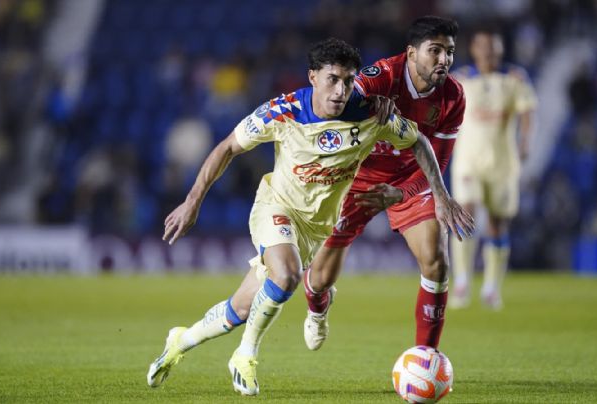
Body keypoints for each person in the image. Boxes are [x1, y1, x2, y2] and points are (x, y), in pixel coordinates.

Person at [146, 38, 474, 396]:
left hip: (316, 228)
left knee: (239, 308)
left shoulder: (371, 114)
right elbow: (227, 147)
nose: (341, 90)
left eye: (349, 81)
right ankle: (245, 355)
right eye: (332, 79)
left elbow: (420, 143)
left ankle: (181, 339)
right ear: (313, 77)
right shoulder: (283, 111)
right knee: (287, 277)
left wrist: (440, 196)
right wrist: (192, 202)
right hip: (277, 206)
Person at [302, 16, 467, 353]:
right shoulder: (384, 76)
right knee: (319, 280)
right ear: (410, 53)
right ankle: (318, 308)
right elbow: (342, 98)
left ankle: (426, 356)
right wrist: (364, 103)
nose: (443, 60)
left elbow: (438, 159)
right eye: (434, 51)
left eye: (449, 52)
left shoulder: (453, 95)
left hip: (409, 179)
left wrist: (406, 193)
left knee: (437, 261)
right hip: (357, 178)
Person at [449, 27, 537, 310]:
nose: (488, 51)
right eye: (483, 46)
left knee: (497, 224)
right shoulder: (461, 79)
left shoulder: (514, 79)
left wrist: (525, 142)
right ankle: (461, 281)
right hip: (468, 161)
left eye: (493, 46)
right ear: (474, 49)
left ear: (501, 49)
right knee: (466, 214)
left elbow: (526, 111)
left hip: (502, 162)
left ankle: (491, 286)